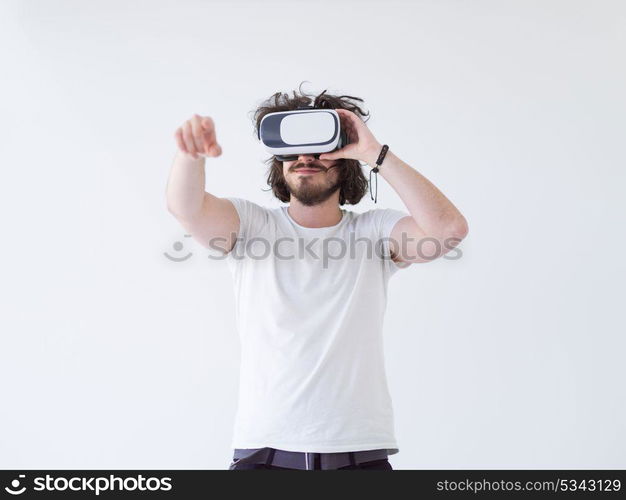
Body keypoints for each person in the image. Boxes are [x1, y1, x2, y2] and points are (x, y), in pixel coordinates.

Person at [165, 85, 469, 470]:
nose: (305, 158)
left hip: (360, 455)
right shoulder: (252, 226)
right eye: (293, 150)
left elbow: (449, 230)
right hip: (264, 454)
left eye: (322, 148)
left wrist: (375, 153)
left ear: (346, 162)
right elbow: (186, 208)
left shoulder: (374, 232)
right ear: (279, 162)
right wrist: (189, 156)